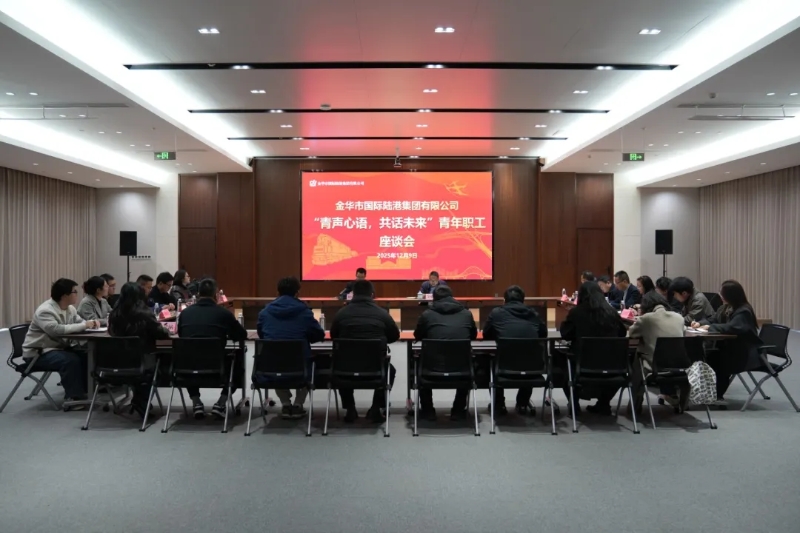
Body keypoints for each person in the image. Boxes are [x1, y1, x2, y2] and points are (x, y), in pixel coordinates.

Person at [178, 278, 248, 419]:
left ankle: (196, 402)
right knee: (238, 362)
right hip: (217, 367)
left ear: (198, 294)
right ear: (216, 294)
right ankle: (221, 403)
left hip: (187, 369)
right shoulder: (224, 313)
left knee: (189, 355)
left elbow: (181, 335)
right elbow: (241, 335)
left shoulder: (185, 314)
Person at [330, 279, 399, 422]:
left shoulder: (341, 314)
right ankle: (376, 408)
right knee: (390, 370)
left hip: (345, 368)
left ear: (353, 294)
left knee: (339, 362)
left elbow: (334, 336)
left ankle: (350, 408)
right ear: (372, 294)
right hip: (375, 368)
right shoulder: (382, 314)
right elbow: (394, 335)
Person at [22, 278, 100, 404]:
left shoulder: (70, 308)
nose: (77, 294)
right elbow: (56, 330)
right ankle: (74, 398)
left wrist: (91, 323)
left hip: (58, 348)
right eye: (75, 292)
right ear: (64, 295)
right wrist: (85, 325)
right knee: (70, 360)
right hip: (38, 353)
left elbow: (80, 322)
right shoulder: (45, 310)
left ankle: (87, 390)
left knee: (86, 355)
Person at [257, 276, 325, 419]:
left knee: (274, 356)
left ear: (277, 292)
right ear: (297, 293)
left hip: (271, 367)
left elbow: (262, 334)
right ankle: (298, 404)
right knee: (309, 361)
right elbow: (319, 334)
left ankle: (285, 403)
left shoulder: (265, 312)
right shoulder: (304, 311)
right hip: (300, 366)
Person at [559, 281, 627, 414]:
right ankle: (604, 403)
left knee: (560, 361)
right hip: (612, 366)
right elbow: (622, 334)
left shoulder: (576, 312)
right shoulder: (612, 312)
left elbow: (566, 334)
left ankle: (574, 403)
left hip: (582, 364)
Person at [692, 280, 762, 406]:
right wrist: (700, 323)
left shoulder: (744, 311)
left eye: (722, 293)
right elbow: (713, 319)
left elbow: (733, 327)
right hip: (730, 348)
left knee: (720, 361)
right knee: (708, 357)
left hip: (745, 352)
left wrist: (710, 327)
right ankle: (709, 393)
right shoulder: (725, 307)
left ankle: (717, 395)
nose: (720, 295)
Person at [413, 285, 478, 421]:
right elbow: (473, 335)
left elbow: (418, 335)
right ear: (452, 297)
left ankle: (428, 410)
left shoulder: (427, 315)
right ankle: (458, 410)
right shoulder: (466, 314)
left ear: (434, 299)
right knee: (469, 360)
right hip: (462, 370)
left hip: (431, 370)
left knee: (417, 361)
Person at [482, 285, 548, 416]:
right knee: (527, 355)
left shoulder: (496, 313)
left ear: (504, 300)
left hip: (503, 366)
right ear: (523, 300)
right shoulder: (533, 314)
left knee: (487, 360)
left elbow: (486, 334)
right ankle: (522, 403)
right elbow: (543, 334)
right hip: (532, 368)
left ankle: (498, 405)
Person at [107, 282, 169, 418]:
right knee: (166, 355)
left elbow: (111, 333)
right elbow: (161, 334)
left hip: (115, 361)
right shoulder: (144, 313)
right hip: (142, 359)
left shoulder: (114, 314)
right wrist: (167, 330)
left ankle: (139, 399)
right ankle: (141, 400)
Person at [627, 291, 685, 414]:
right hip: (679, 366)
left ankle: (635, 404)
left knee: (637, 358)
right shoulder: (679, 318)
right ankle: (678, 400)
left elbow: (630, 336)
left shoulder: (646, 319)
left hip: (653, 367)